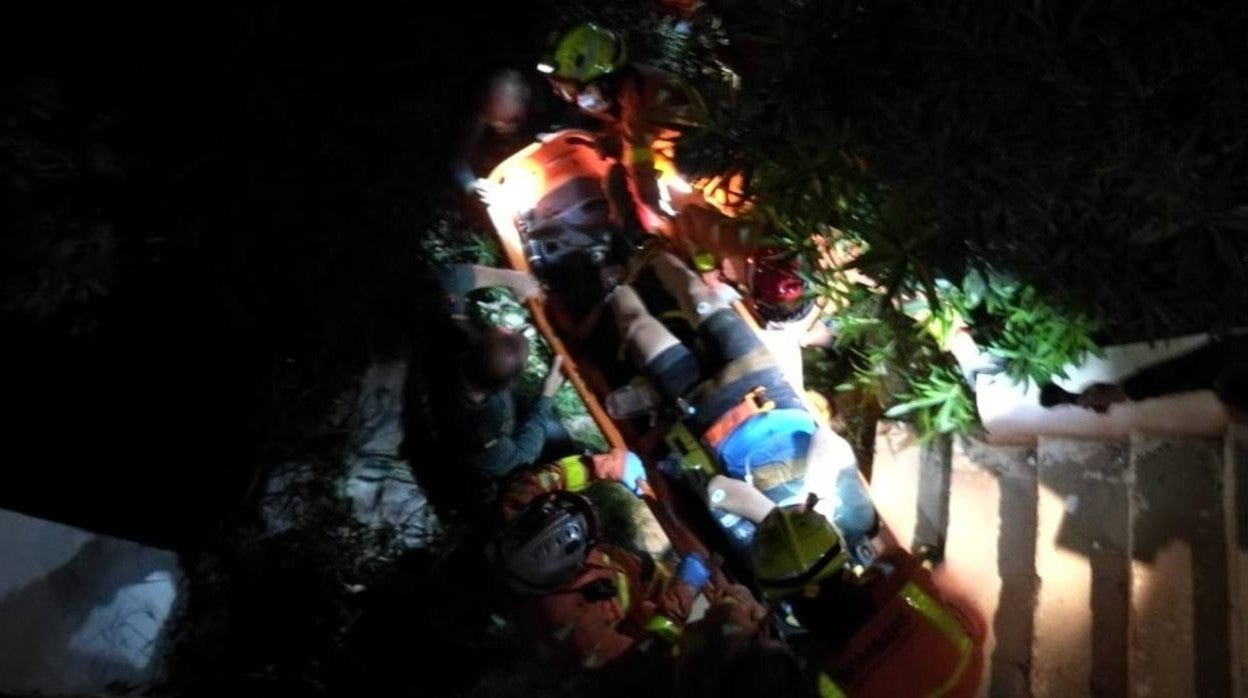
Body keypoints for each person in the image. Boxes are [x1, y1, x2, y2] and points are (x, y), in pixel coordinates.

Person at [605, 250, 879, 551]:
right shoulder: (858, 520)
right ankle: (648, 251)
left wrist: (778, 520)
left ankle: (613, 282)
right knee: (697, 295)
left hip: (708, 415)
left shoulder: (771, 550)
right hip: (765, 387)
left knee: (636, 328)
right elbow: (830, 442)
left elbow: (718, 490)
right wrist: (812, 503)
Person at [493, 448, 769, 670]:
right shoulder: (578, 636)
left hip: (624, 573)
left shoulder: (522, 522)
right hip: (636, 616)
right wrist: (684, 590)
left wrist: (607, 465)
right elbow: (649, 653)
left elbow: (542, 480)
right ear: (572, 564)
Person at [538, 23, 704, 231]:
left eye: (565, 87)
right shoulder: (630, 87)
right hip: (676, 151)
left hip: (702, 166)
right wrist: (615, 138)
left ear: (597, 78)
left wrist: (658, 224)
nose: (561, 94)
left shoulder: (640, 105)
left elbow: (642, 179)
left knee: (623, 187)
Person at [433, 262, 574, 478]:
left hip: (485, 406)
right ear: (505, 386)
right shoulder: (482, 436)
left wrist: (510, 278)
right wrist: (547, 395)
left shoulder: (447, 340)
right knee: (558, 437)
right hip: (478, 443)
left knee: (549, 427)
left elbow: (446, 277)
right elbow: (521, 456)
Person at [1040, 334, 1248, 424]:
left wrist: (1122, 392)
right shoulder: (1231, 363)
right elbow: (1205, 365)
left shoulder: (1230, 367)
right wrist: (1122, 391)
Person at [452, 68, 587, 203]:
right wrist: (470, 186)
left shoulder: (550, 96)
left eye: (512, 119)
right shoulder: (480, 113)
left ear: (526, 100)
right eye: (494, 121)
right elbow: (458, 159)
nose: (503, 127)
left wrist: (558, 134)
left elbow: (576, 123)